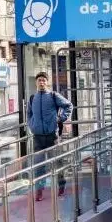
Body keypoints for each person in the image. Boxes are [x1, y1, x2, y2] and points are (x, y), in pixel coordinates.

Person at [27, 72, 73, 201]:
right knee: (39, 165)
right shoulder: (32, 98)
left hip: (52, 136)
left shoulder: (53, 96)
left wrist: (60, 118)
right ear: (36, 83)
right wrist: (32, 125)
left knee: (57, 162)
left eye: (43, 80)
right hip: (38, 137)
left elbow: (68, 105)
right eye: (39, 80)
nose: (41, 82)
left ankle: (61, 185)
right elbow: (29, 114)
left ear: (47, 82)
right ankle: (39, 190)